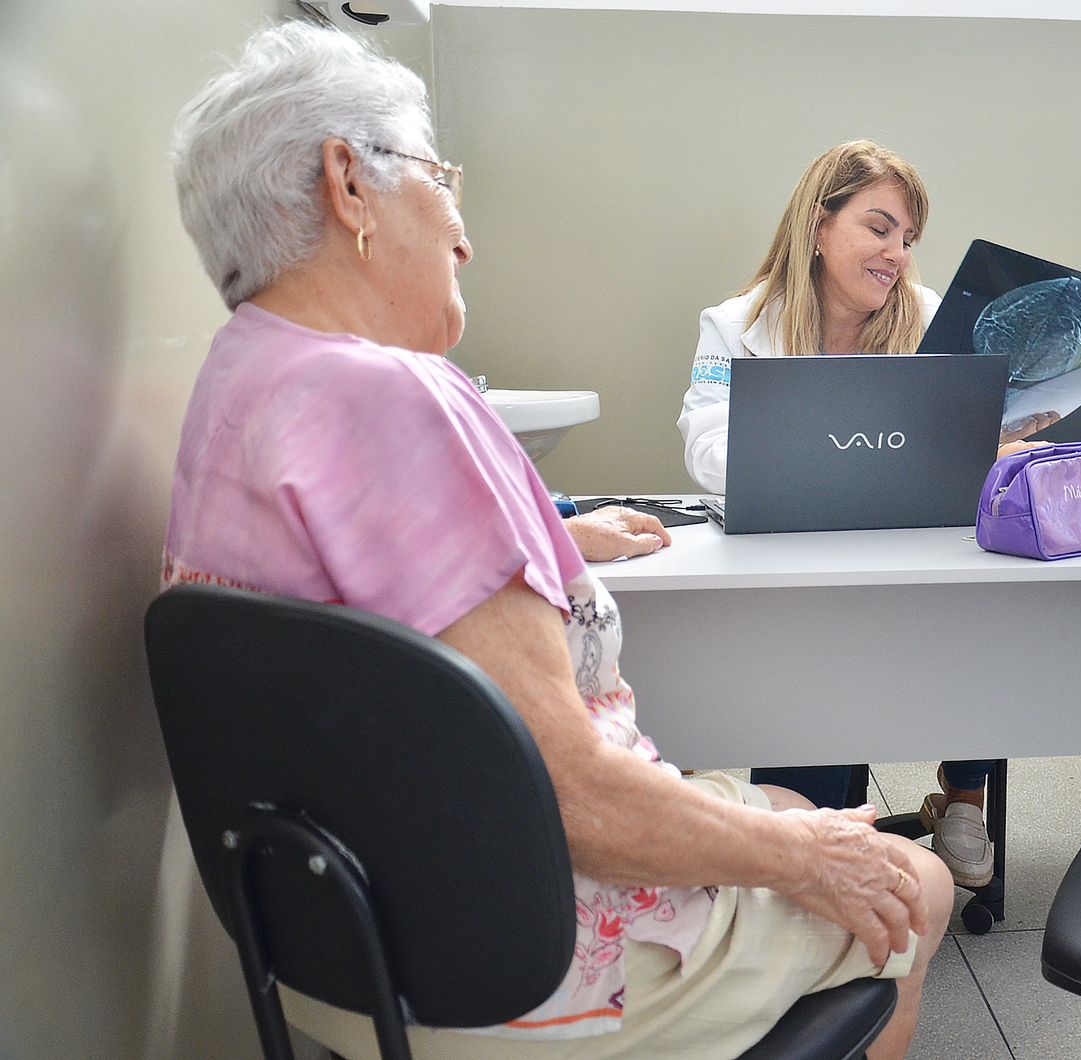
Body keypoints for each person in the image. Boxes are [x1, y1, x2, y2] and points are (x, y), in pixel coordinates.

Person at [165, 24, 950, 1060]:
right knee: (915, 879)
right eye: (439, 179)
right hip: (508, 960)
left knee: (790, 798)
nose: (462, 237)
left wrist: (555, 533)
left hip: (324, 935)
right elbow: (576, 795)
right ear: (348, 183)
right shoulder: (403, 396)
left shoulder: (238, 380)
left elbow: (369, 606)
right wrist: (807, 861)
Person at [676, 140, 1016, 891]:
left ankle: (965, 794)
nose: (897, 253)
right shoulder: (736, 324)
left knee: (991, 610)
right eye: (879, 227)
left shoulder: (931, 318)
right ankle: (812, 837)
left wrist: (999, 432)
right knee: (819, 671)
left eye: (908, 238)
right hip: (797, 567)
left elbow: (961, 441)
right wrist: (824, 438)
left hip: (915, 555)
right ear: (819, 225)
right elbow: (704, 448)